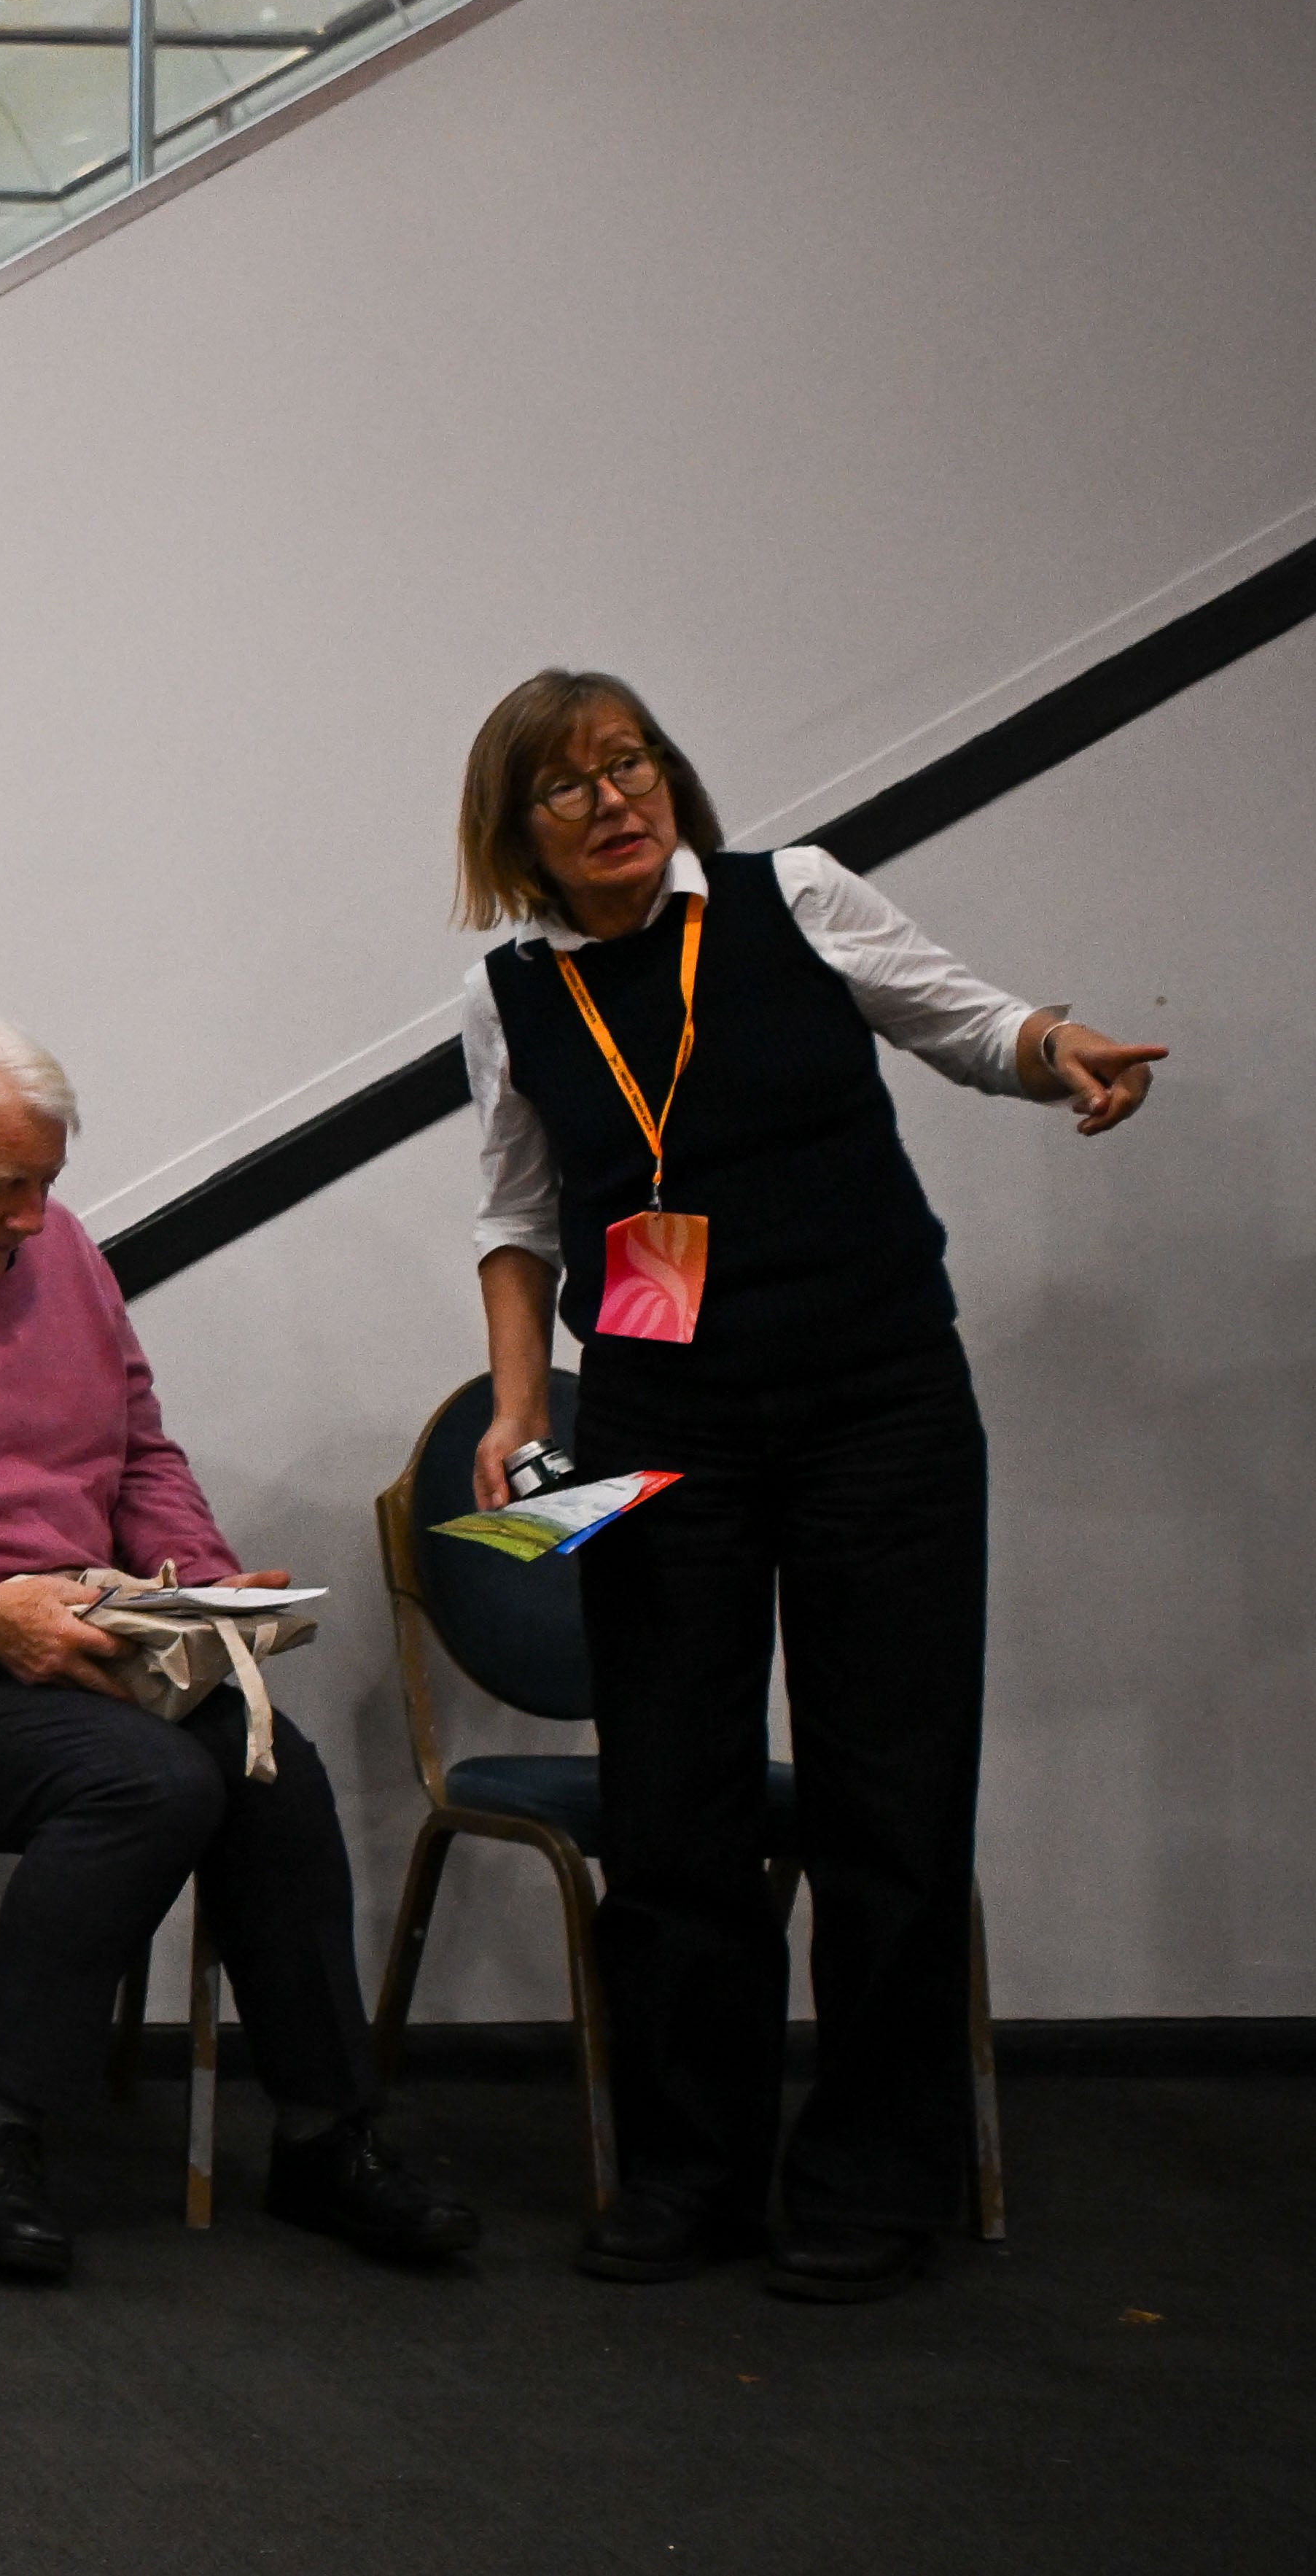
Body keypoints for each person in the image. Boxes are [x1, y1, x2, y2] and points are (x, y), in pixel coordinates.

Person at [452, 672, 1163, 2302]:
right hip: (655, 1416)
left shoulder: (794, 896)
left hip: (876, 1403)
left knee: (885, 1796)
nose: (613, 800)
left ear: (668, 772)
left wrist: (1057, 1047)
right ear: (518, 835)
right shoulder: (507, 996)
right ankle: (687, 2169)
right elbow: (518, 1217)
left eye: (628, 762)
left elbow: (966, 1020)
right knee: (672, 1806)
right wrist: (514, 1406)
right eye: (568, 788)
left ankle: (871, 2172)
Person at [0, 1012, 474, 2286]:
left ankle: (326, 2131)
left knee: (268, 1760)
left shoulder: (59, 1252)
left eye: (45, 1182)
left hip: (66, 1625)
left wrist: (209, 1590)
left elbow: (134, 1453)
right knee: (144, 1778)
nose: (27, 1217)